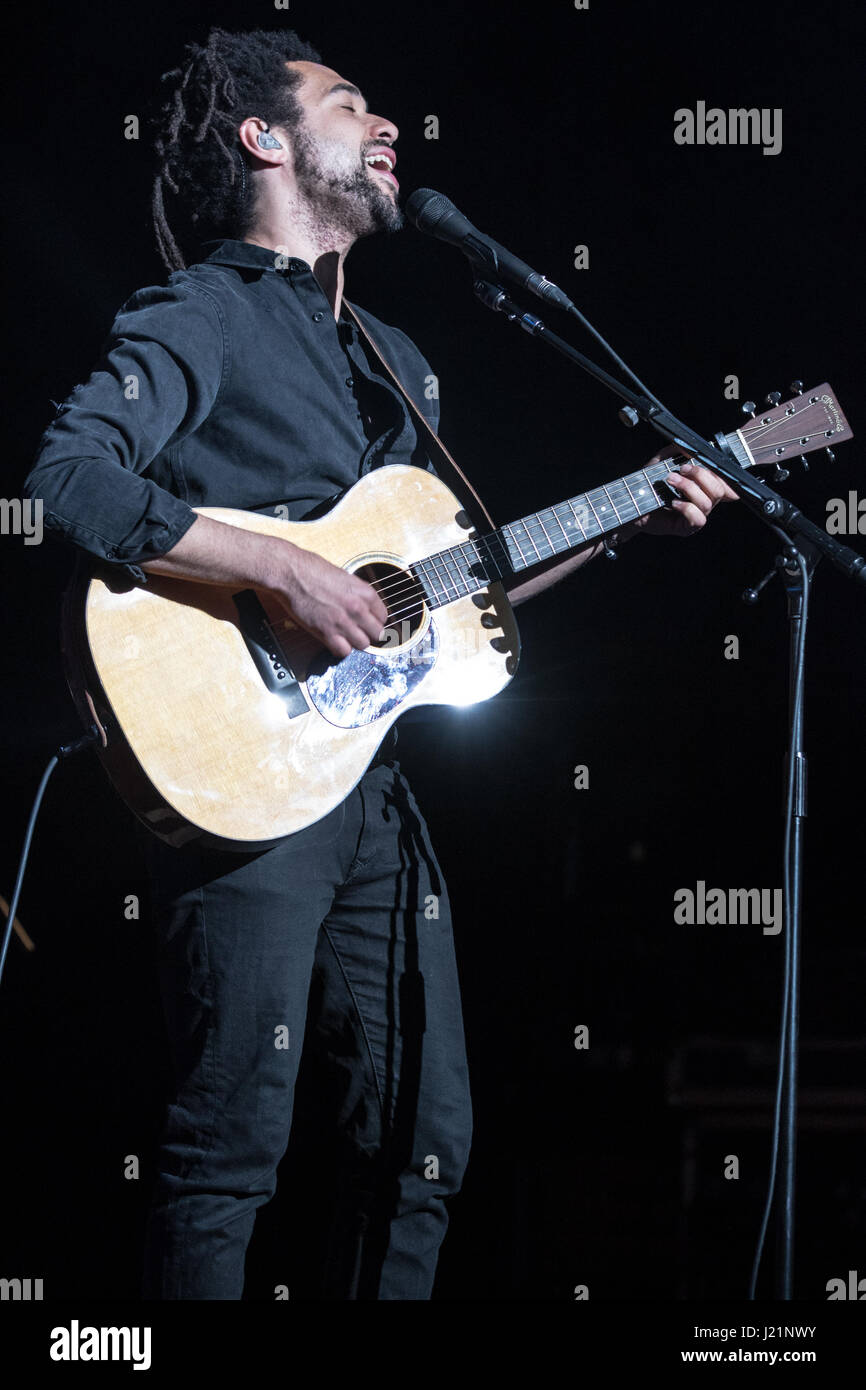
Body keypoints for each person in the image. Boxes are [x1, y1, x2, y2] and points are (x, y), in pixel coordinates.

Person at [22, 27, 735, 1300]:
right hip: (238, 773)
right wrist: (284, 572)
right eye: (350, 103)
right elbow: (67, 484)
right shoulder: (205, 313)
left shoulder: (396, 364)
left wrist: (630, 516)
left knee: (421, 1141)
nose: (388, 125)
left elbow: (443, 598)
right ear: (266, 139)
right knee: (228, 1147)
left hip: (368, 791)